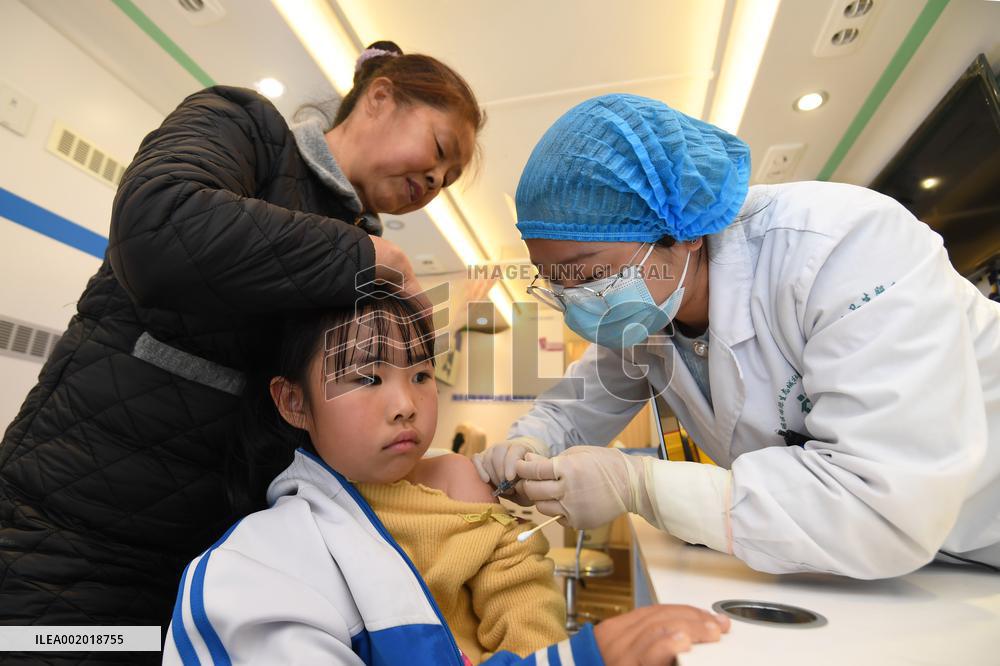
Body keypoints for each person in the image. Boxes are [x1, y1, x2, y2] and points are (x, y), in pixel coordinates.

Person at [0, 39, 481, 653]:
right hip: (76, 536)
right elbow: (156, 227)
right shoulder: (248, 129)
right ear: (380, 97)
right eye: (439, 150)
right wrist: (372, 257)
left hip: (213, 566)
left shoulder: (357, 254)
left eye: (449, 179)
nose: (436, 180)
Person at [474, 93, 1000, 580]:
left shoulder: (845, 248)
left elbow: (882, 503)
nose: (579, 303)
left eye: (590, 276)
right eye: (558, 285)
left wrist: (641, 487)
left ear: (684, 234)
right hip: (903, 565)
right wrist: (527, 444)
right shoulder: (643, 317)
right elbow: (574, 410)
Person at [165, 293, 730, 665]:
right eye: (367, 377)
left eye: (420, 374)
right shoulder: (259, 563)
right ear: (293, 402)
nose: (406, 404)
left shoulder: (456, 483)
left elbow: (524, 603)